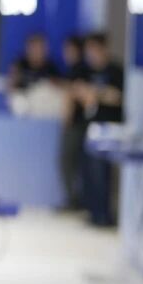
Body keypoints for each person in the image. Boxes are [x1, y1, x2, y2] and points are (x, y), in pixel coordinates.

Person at [77, 31, 125, 227]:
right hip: (89, 126)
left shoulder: (115, 71)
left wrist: (96, 93)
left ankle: (104, 215)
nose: (90, 54)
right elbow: (77, 90)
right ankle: (93, 212)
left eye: (93, 49)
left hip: (110, 128)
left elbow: (117, 97)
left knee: (102, 173)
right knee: (88, 171)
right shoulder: (84, 70)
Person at [59, 35, 90, 210]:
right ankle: (75, 199)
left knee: (67, 161)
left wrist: (67, 119)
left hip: (76, 124)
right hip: (79, 124)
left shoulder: (78, 70)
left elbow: (72, 97)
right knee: (72, 163)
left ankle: (74, 200)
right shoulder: (77, 69)